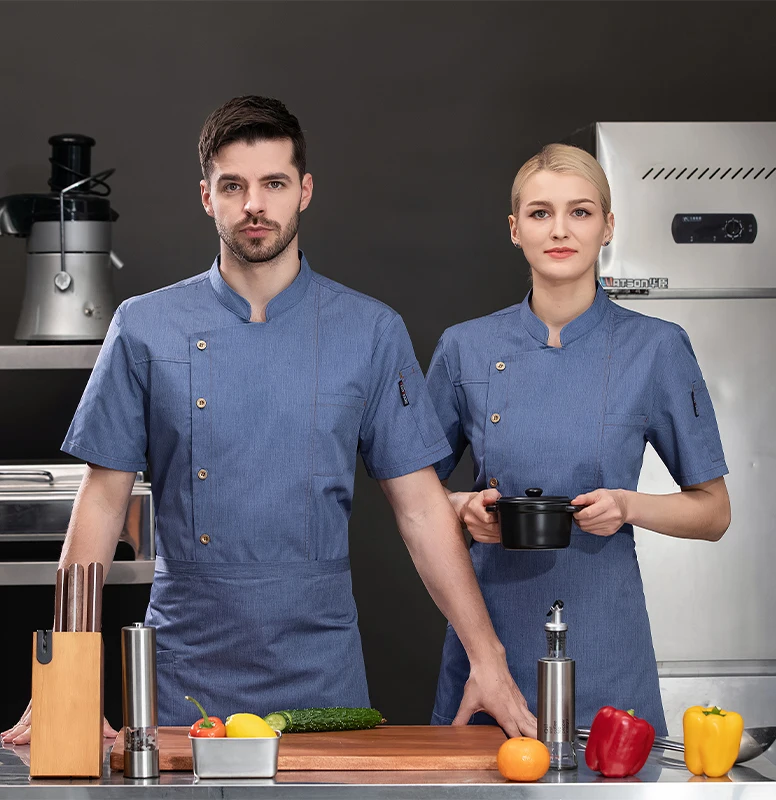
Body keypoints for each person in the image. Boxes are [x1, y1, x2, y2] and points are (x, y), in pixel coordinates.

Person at [2, 96, 536, 742]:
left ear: (304, 191)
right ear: (207, 196)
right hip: (183, 675)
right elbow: (101, 504)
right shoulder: (144, 328)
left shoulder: (368, 331)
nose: (255, 204)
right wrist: (66, 679)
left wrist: (489, 657)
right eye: (234, 186)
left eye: (274, 184)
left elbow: (421, 508)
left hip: (320, 677)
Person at [426, 144, 731, 736]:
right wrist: (463, 507)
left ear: (608, 226)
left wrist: (627, 506)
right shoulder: (466, 348)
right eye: (540, 213)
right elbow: (413, 497)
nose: (560, 229)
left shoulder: (657, 348)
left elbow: (714, 512)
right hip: (493, 648)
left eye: (581, 212)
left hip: (608, 647)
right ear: (515, 230)